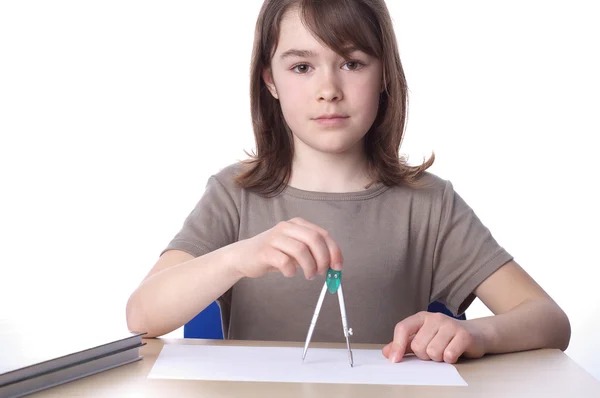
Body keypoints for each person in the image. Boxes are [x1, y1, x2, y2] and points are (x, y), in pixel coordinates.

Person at [126, 0, 570, 364]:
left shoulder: (429, 205)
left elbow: (550, 320)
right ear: (270, 81)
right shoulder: (234, 195)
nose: (329, 89)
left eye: (352, 63)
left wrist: (476, 333)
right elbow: (141, 315)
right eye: (302, 67)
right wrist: (237, 258)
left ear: (383, 76)